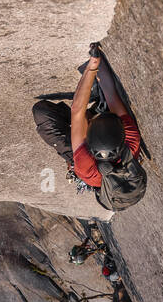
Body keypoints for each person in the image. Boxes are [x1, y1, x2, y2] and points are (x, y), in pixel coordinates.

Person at [33, 45, 147, 210]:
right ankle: (95, 107)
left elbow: (77, 111)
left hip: (92, 171)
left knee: (42, 112)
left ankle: (92, 107)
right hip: (112, 157)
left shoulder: (87, 169)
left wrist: (91, 68)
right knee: (100, 102)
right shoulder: (131, 140)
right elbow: (111, 93)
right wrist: (96, 62)